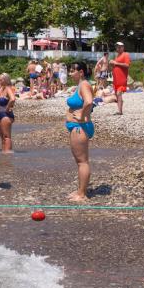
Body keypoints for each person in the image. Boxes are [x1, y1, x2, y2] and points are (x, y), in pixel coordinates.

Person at [63, 62, 95, 202]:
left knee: (82, 162)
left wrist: (81, 114)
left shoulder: (84, 85)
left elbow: (89, 102)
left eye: (72, 71)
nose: (70, 73)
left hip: (80, 127)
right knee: (80, 161)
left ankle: (81, 194)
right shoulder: (81, 85)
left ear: (80, 72)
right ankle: (80, 190)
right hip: (78, 127)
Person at [0, 73, 17, 153]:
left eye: (1, 79)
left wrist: (7, 108)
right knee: (2, 137)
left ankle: (8, 154)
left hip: (6, 115)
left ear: (6, 80)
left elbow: (13, 99)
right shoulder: (0, 89)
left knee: (6, 136)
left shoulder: (7, 88)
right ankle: (4, 155)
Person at [111, 42, 130, 115]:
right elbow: (115, 66)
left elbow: (127, 65)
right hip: (116, 79)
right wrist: (112, 64)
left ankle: (120, 111)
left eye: (119, 47)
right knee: (117, 94)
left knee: (119, 93)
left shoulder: (126, 54)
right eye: (117, 47)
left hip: (122, 78)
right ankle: (119, 109)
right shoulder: (117, 56)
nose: (118, 48)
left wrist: (116, 63)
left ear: (123, 47)